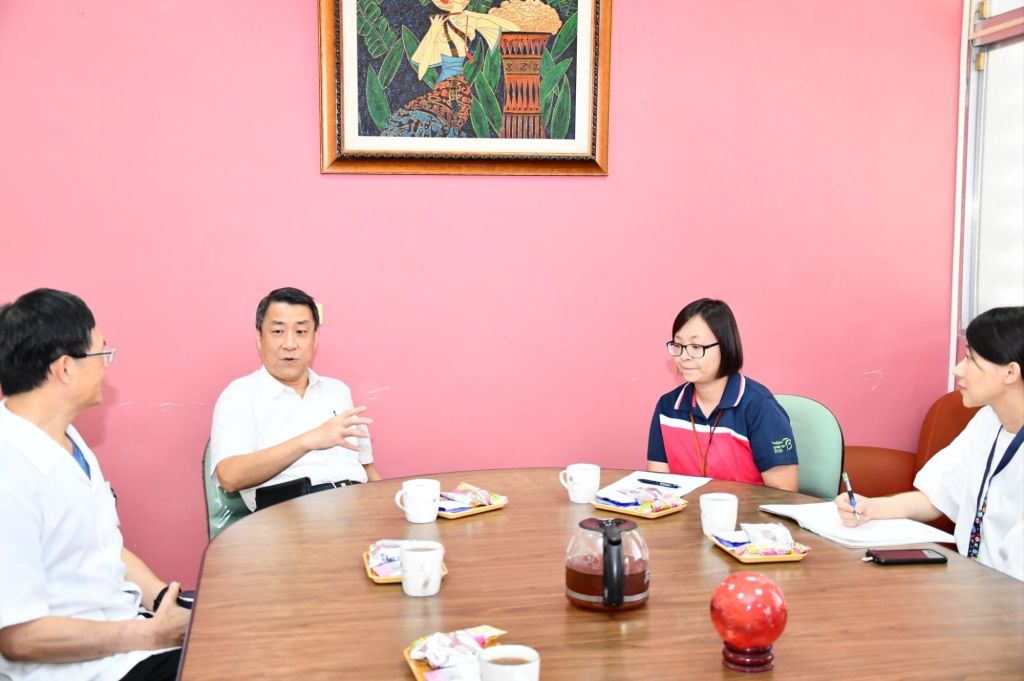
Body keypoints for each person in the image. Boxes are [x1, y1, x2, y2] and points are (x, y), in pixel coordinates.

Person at [0, 288, 190, 681]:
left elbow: (105, 546)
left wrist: (165, 601)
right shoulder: (10, 474)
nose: (106, 365)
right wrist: (150, 634)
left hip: (129, 637)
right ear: (65, 368)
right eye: (101, 353)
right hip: (79, 671)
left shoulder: (67, 439)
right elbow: (18, 637)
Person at [835, 306, 1024, 581]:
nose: (958, 369)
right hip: (973, 585)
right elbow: (936, 496)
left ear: (1010, 373)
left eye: (971, 359)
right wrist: (871, 509)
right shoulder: (988, 420)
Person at [210, 287, 379, 512]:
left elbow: (366, 469)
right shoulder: (240, 395)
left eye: (301, 331)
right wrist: (307, 441)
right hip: (286, 515)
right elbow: (230, 476)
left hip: (355, 507)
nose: (290, 344)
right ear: (259, 338)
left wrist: (388, 506)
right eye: (278, 331)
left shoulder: (338, 391)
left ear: (315, 338)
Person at [646, 298, 799, 491]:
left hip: (747, 511)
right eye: (678, 345)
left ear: (725, 346)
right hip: (687, 510)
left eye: (696, 347)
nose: (684, 356)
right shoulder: (667, 407)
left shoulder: (760, 407)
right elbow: (659, 488)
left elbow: (784, 495)